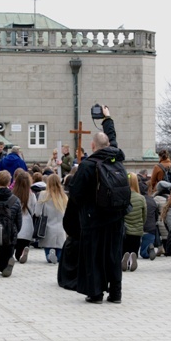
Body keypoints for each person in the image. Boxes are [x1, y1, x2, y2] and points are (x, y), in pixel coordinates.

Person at [68, 105, 126, 304]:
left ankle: (95, 293)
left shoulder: (87, 165)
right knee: (113, 255)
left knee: (93, 256)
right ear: (108, 145)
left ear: (92, 147)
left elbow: (75, 194)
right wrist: (107, 118)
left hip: (94, 219)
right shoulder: (116, 158)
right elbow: (112, 138)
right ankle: (116, 293)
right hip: (116, 217)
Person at [36, 174, 68, 263]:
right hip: (61, 230)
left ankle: (50, 255)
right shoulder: (64, 196)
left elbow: (37, 212)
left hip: (47, 229)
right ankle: (57, 256)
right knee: (60, 257)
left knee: (48, 254)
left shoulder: (43, 195)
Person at [121, 173, 146, 271]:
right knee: (134, 247)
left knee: (124, 247)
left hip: (125, 229)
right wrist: (141, 224)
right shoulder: (141, 198)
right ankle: (132, 256)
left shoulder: (122, 197)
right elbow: (144, 215)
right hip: (137, 229)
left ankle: (124, 257)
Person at [12, 171, 37, 264]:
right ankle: (21, 254)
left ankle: (11, 255)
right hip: (27, 225)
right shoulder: (32, 195)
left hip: (15, 225)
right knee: (22, 246)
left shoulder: (12, 194)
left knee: (13, 244)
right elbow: (34, 210)